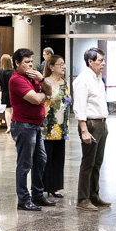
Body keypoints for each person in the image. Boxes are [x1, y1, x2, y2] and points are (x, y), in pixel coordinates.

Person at [9, 47, 54, 211]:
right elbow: (36, 99)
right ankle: (23, 199)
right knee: (24, 164)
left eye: (31, 62)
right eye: (26, 62)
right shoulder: (16, 79)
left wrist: (41, 79)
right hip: (23, 125)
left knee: (40, 160)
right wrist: (43, 95)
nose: (30, 65)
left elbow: (49, 90)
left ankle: (37, 194)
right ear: (17, 63)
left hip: (35, 125)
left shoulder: (33, 77)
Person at [74, 47, 110, 212]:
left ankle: (93, 195)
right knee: (88, 163)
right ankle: (83, 199)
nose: (103, 63)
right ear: (90, 61)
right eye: (100, 60)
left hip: (101, 123)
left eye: (103, 60)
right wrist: (84, 129)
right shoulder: (83, 79)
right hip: (90, 124)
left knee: (97, 162)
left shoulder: (98, 78)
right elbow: (79, 106)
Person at [41, 55, 70, 198]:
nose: (63, 67)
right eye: (60, 64)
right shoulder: (46, 82)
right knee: (47, 157)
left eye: (64, 64)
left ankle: (55, 186)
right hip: (48, 126)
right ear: (52, 67)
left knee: (59, 157)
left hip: (62, 126)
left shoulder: (64, 82)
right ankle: (45, 186)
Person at [0, 54, 14, 133]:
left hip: (4, 92)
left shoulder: (1, 71)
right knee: (12, 109)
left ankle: (8, 126)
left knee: (7, 110)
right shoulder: (13, 71)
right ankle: (13, 126)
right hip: (13, 92)